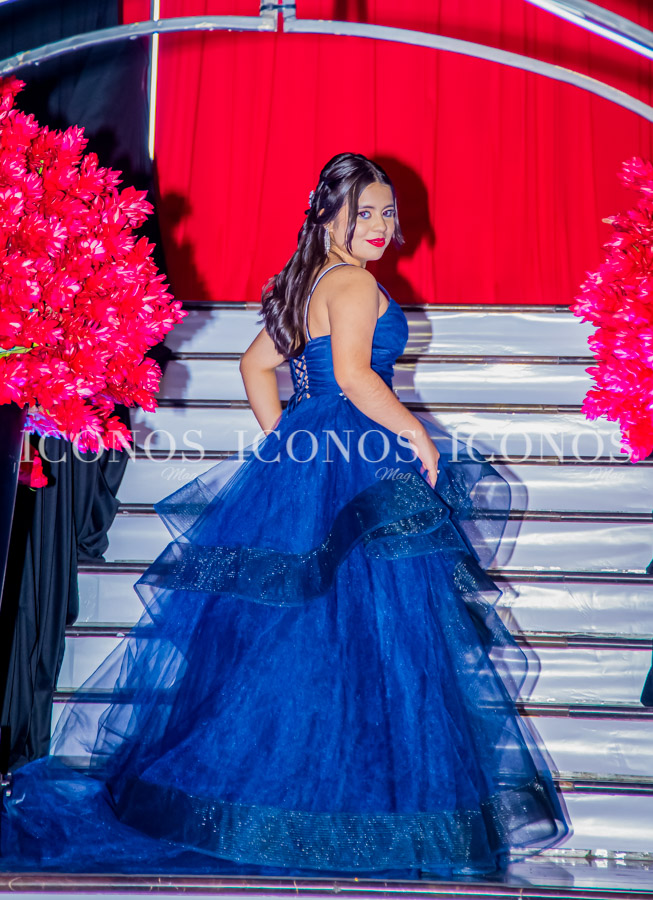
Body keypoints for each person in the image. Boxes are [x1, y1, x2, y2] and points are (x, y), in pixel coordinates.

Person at [0, 152, 569, 879]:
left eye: (387, 213)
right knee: (369, 634)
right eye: (364, 212)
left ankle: (274, 807)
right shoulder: (353, 283)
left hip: (314, 455)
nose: (381, 226)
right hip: (358, 452)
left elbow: (254, 365)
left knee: (307, 637)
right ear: (328, 214)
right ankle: (349, 815)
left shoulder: (306, 281)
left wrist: (288, 444)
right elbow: (356, 377)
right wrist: (416, 435)